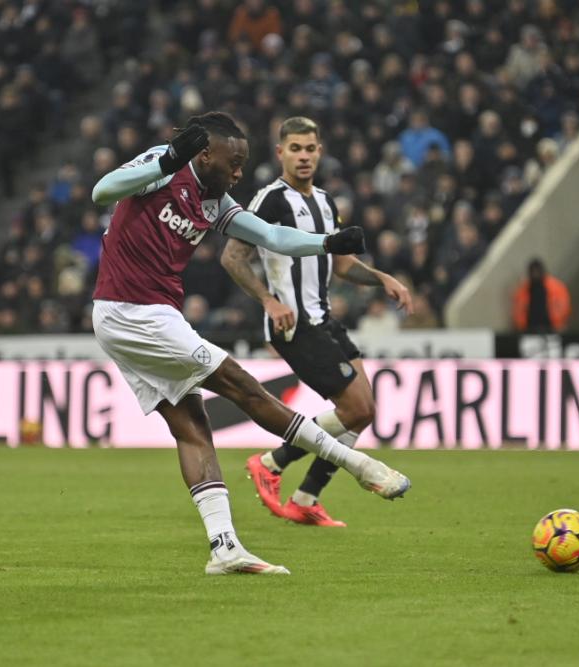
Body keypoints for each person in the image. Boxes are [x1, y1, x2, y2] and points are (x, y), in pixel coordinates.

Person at [89, 111, 411, 575]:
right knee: (243, 386)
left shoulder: (214, 202)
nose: (239, 173)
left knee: (193, 426)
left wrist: (329, 243)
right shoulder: (164, 162)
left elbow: (271, 236)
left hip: (140, 316)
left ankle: (224, 549)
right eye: (233, 163)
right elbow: (103, 192)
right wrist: (167, 161)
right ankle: (358, 466)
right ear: (204, 153)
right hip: (132, 310)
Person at [221, 116, 413, 528]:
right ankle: (270, 463)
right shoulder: (271, 200)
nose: (303, 156)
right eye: (295, 149)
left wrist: (381, 279)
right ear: (280, 153)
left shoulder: (326, 202)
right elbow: (232, 257)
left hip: (325, 319)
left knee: (364, 411)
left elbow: (341, 264)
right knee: (356, 407)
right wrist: (269, 301)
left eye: (310, 148)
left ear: (320, 151)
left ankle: (306, 497)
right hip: (294, 325)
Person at [511, 257, 571, 332]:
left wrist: (557, 324)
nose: (535, 274)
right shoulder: (522, 291)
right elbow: (518, 313)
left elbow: (564, 309)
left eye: (537, 271)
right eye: (533, 272)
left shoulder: (557, 288)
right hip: (529, 330)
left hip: (553, 328)